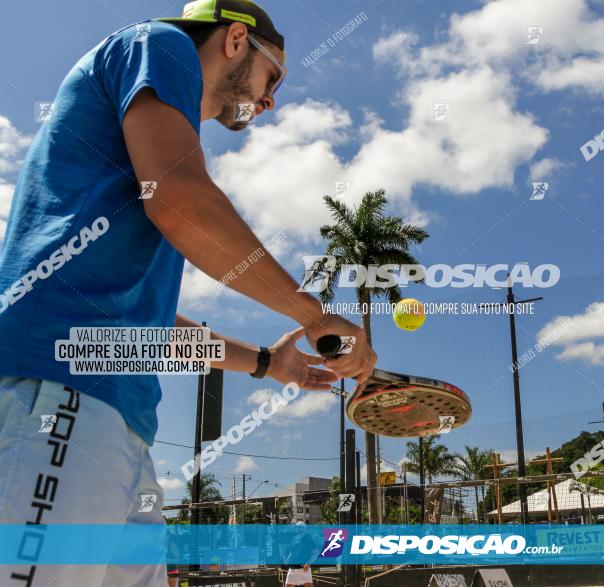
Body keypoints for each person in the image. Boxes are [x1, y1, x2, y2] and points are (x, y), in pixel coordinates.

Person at [0, 1, 377, 585]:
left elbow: (148, 330)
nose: (271, 99)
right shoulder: (160, 44)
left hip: (112, 420)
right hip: (58, 397)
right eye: (272, 74)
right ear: (234, 40)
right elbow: (178, 200)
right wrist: (311, 315)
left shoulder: (126, 163)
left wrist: (265, 363)